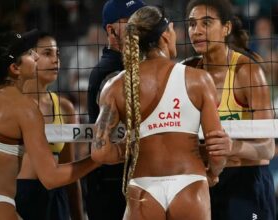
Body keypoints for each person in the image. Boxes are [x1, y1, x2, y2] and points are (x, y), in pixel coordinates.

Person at [91, 6, 227, 220]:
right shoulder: (198, 79)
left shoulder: (115, 86)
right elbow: (217, 148)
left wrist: (129, 149)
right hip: (189, 183)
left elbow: (99, 152)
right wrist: (213, 174)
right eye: (173, 30)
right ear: (165, 34)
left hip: (143, 189)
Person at [0, 29, 100, 220]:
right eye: (29, 54)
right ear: (15, 68)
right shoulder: (25, 108)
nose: (36, 56)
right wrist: (97, 159)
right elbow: (51, 177)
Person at [184, 0, 276, 219]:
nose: (196, 31)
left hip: (246, 180)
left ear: (226, 28)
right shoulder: (186, 71)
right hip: (205, 178)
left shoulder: (248, 72)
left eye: (206, 23)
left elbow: (268, 148)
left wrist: (232, 147)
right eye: (192, 24)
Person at [85, 0, 145, 219]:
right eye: (131, 21)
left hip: (124, 178)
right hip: (111, 183)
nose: (141, 26)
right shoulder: (110, 72)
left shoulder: (134, 65)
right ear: (111, 30)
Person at [15, 32, 83, 220]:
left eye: (57, 55)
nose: (55, 60)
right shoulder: (8, 104)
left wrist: (78, 215)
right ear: (29, 57)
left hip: (56, 199)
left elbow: (70, 171)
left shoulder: (65, 107)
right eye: (47, 54)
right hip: (17, 199)